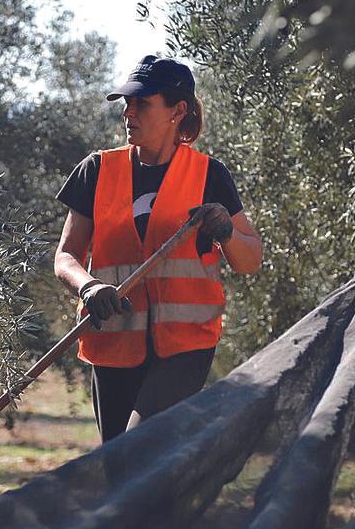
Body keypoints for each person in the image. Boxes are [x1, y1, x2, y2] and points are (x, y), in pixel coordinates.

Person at [54, 55, 262, 443]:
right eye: (126, 104)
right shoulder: (96, 171)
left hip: (184, 348)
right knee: (117, 464)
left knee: (139, 446)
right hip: (113, 341)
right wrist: (89, 287)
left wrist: (226, 232)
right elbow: (66, 256)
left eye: (142, 103)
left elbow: (250, 260)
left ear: (177, 111)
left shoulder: (209, 174)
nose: (128, 113)